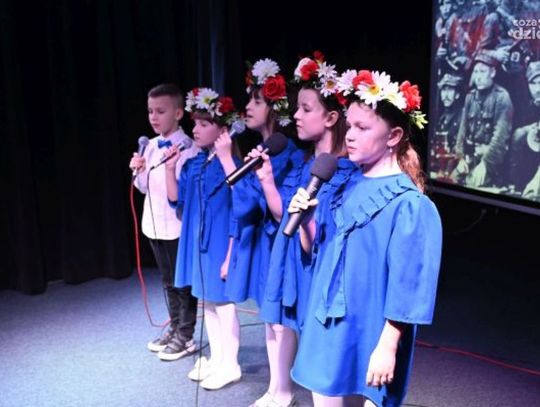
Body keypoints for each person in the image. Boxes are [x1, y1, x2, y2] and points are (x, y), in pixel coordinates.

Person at [289, 69, 442, 407]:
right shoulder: (342, 183)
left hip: (373, 326)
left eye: (362, 128)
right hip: (330, 318)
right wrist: (305, 223)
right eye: (349, 126)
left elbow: (408, 286)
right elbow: (319, 252)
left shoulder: (409, 205)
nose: (350, 136)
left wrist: (388, 345)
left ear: (393, 136)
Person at [253, 51, 357, 407]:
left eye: (305, 108)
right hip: (290, 255)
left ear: (331, 117)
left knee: (318, 343)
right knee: (279, 323)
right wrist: (267, 181)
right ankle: (279, 391)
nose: (295, 115)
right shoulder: (306, 163)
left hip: (318, 264)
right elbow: (283, 215)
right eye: (296, 107)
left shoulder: (346, 170)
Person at [225, 57, 303, 407]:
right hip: (263, 244)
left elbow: (281, 211)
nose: (248, 107)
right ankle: (274, 387)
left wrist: (259, 176)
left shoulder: (292, 156)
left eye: (257, 101)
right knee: (269, 318)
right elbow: (244, 206)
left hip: (281, 243)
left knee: (281, 320)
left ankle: (283, 389)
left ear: (274, 108)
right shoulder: (259, 153)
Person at [164, 87, 242, 390]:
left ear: (223, 130)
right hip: (198, 243)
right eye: (194, 123)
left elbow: (240, 208)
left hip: (221, 242)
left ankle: (231, 363)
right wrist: (170, 168)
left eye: (204, 124)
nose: (195, 129)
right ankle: (218, 357)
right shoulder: (195, 163)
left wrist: (230, 255)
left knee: (223, 303)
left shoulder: (231, 165)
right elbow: (178, 202)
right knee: (207, 301)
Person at [128, 83, 200, 361]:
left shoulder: (189, 148)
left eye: (160, 111)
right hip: (154, 222)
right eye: (150, 111)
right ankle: (175, 325)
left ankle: (186, 334)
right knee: (168, 280)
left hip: (177, 225)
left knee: (182, 283)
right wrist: (139, 170)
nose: (154, 117)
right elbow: (144, 188)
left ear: (178, 113)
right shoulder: (149, 145)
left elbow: (184, 193)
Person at [453, 50, 514, 187]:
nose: (478, 77)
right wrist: (460, 158)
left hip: (492, 161)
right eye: (476, 72)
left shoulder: (502, 97)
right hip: (470, 157)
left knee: (473, 184)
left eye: (482, 71)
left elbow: (500, 138)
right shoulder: (470, 97)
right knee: (450, 179)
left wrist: (486, 164)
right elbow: (462, 132)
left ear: (492, 73)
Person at [507, 61, 540, 197]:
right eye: (533, 83)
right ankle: (517, 186)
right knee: (519, 135)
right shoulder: (526, 105)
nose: (538, 89)